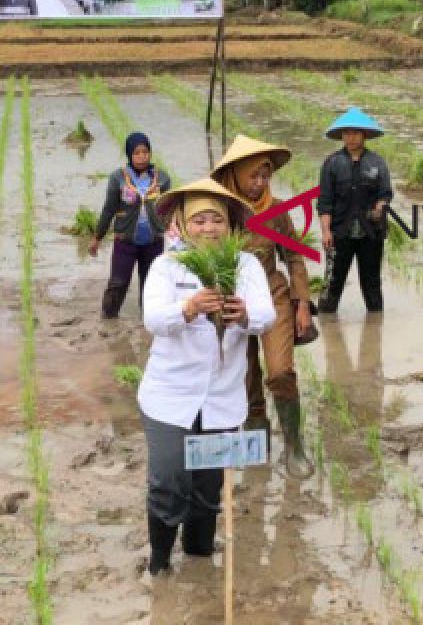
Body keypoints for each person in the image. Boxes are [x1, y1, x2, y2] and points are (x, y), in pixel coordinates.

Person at [138, 178, 275, 575]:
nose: (208, 228)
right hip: (169, 398)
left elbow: (267, 316)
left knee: (207, 488)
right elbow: (154, 320)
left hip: (221, 399)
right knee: (168, 480)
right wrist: (189, 307)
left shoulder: (245, 266)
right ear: (182, 224)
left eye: (217, 219)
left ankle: (199, 566)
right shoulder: (166, 267)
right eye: (199, 220)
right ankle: (160, 566)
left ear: (231, 226)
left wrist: (244, 313)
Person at [211, 135, 315, 478]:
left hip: (273, 294)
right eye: (253, 176)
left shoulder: (276, 211)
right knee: (245, 373)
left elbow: (295, 258)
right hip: (231, 298)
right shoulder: (219, 213)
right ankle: (257, 439)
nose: (260, 183)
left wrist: (302, 303)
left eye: (265, 176)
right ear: (236, 175)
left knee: (280, 371)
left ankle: (294, 444)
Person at [317, 107, 393, 313]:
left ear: (365, 135)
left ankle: (375, 330)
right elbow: (325, 201)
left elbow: (385, 194)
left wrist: (380, 208)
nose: (350, 138)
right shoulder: (332, 164)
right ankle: (326, 328)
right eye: (346, 133)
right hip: (340, 233)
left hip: (371, 234)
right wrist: (326, 231)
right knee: (331, 285)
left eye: (355, 133)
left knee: (372, 286)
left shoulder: (377, 163)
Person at [90, 132, 171, 318]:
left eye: (145, 152)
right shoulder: (118, 178)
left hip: (153, 242)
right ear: (129, 155)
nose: (142, 157)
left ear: (150, 154)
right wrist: (97, 237)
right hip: (125, 241)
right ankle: (108, 319)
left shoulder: (163, 179)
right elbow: (108, 209)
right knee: (118, 283)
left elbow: (169, 209)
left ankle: (149, 321)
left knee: (151, 284)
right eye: (136, 153)